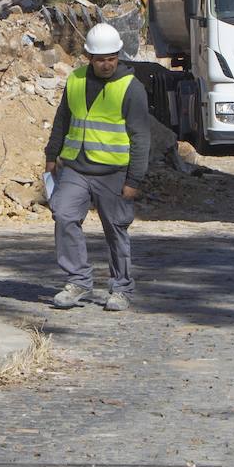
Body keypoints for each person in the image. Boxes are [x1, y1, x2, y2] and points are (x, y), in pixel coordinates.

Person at [44, 22, 151, 312]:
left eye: (111, 58)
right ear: (89, 57)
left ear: (118, 56)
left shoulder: (131, 88)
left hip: (114, 172)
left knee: (115, 230)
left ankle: (121, 288)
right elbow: (62, 120)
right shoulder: (76, 80)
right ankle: (78, 280)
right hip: (76, 168)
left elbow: (141, 136)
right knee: (63, 214)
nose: (106, 64)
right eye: (100, 59)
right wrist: (52, 155)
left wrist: (134, 180)